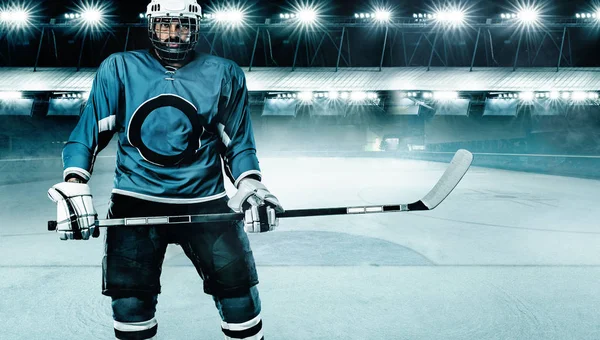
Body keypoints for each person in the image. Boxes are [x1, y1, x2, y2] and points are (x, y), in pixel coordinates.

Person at [47, 1, 283, 339]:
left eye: (183, 25)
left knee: (239, 296)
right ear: (152, 26)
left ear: (196, 28)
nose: (174, 34)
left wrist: (252, 184)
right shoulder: (119, 68)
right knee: (130, 304)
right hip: (135, 200)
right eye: (165, 25)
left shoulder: (224, 72)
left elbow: (238, 141)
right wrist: (73, 181)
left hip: (206, 202)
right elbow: (89, 132)